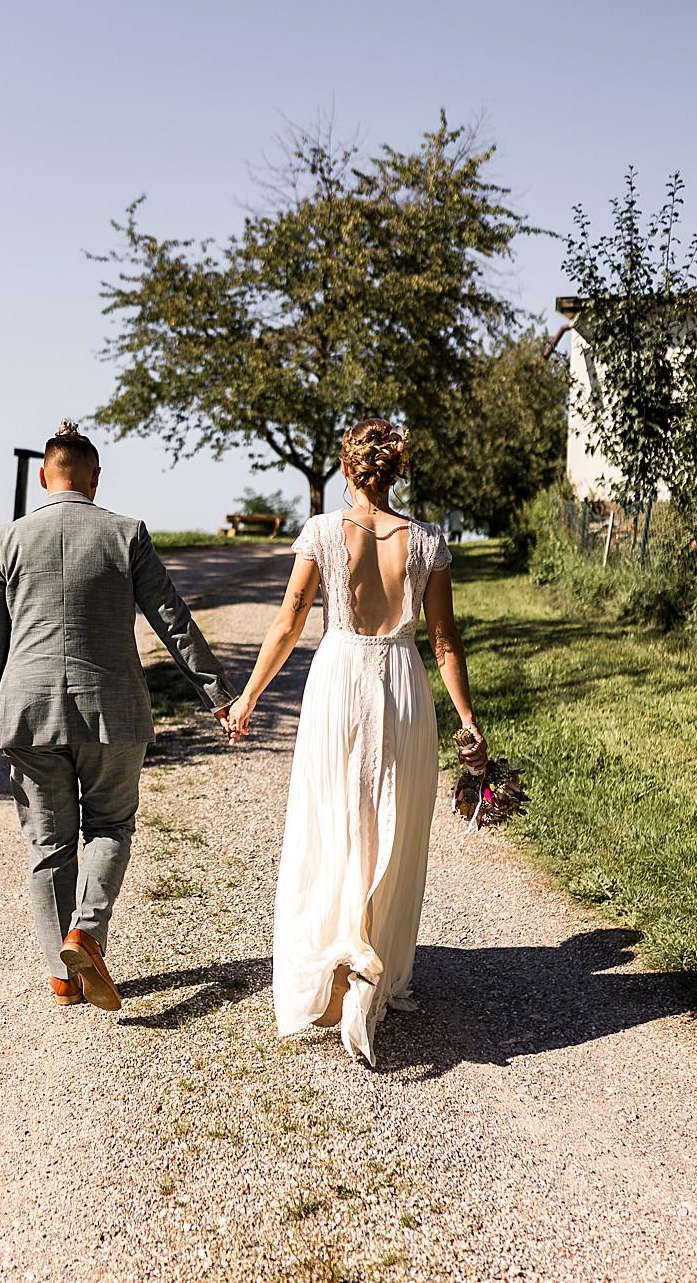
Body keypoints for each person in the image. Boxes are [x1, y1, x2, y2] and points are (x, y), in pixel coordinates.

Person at [227, 418, 486, 1066]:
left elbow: (288, 623)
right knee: (392, 827)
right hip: (402, 684)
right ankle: (370, 954)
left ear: (347, 470)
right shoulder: (428, 542)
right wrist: (467, 719)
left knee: (331, 819)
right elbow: (445, 643)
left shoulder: (319, 532)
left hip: (340, 678)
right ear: (395, 471)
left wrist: (248, 698)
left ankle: (338, 954)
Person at [0, 421, 236, 1011]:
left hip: (28, 715)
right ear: (95, 478)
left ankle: (63, 979)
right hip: (112, 713)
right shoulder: (126, 533)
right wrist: (217, 694)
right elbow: (173, 620)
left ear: (43, 476)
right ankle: (85, 933)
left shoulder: (3, 541)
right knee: (110, 827)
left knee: (47, 846)